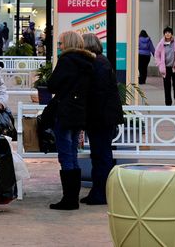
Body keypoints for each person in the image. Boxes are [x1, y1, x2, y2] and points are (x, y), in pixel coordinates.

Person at [47, 31, 94, 210]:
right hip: (79, 113)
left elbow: (53, 84)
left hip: (65, 112)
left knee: (65, 154)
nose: (59, 47)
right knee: (72, 153)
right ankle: (72, 198)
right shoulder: (88, 62)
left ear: (68, 43)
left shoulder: (66, 61)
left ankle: (69, 199)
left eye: (60, 43)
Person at [81, 33, 123, 206]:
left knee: (101, 156)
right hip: (104, 117)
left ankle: (102, 193)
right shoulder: (101, 62)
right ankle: (98, 191)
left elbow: (97, 94)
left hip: (101, 118)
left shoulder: (97, 64)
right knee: (100, 155)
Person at [154, 27, 175, 106]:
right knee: (167, 85)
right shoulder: (161, 44)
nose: (167, 34)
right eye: (166, 32)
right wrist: (159, 64)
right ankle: (168, 102)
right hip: (166, 68)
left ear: (172, 34)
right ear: (164, 34)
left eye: (169, 32)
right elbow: (156, 55)